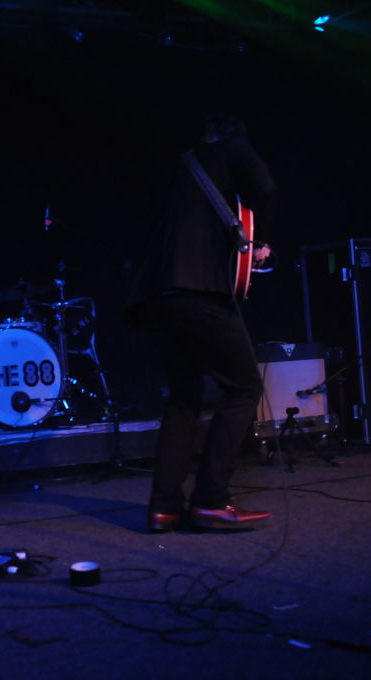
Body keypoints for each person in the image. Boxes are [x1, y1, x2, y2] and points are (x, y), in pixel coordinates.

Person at [126, 114, 277, 533]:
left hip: (156, 295)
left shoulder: (177, 166)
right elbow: (265, 188)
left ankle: (164, 508)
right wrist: (257, 243)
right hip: (200, 291)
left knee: (183, 396)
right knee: (244, 388)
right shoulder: (233, 150)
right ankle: (210, 501)